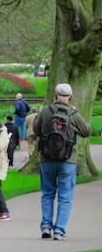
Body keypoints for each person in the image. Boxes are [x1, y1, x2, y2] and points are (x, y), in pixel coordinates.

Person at [32, 83, 91, 241]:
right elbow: (86, 132)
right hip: (68, 160)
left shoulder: (45, 110)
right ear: (70, 97)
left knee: (48, 194)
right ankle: (59, 230)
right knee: (65, 197)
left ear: (55, 95)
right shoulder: (73, 113)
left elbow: (36, 131)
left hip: (46, 159)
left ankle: (45, 226)